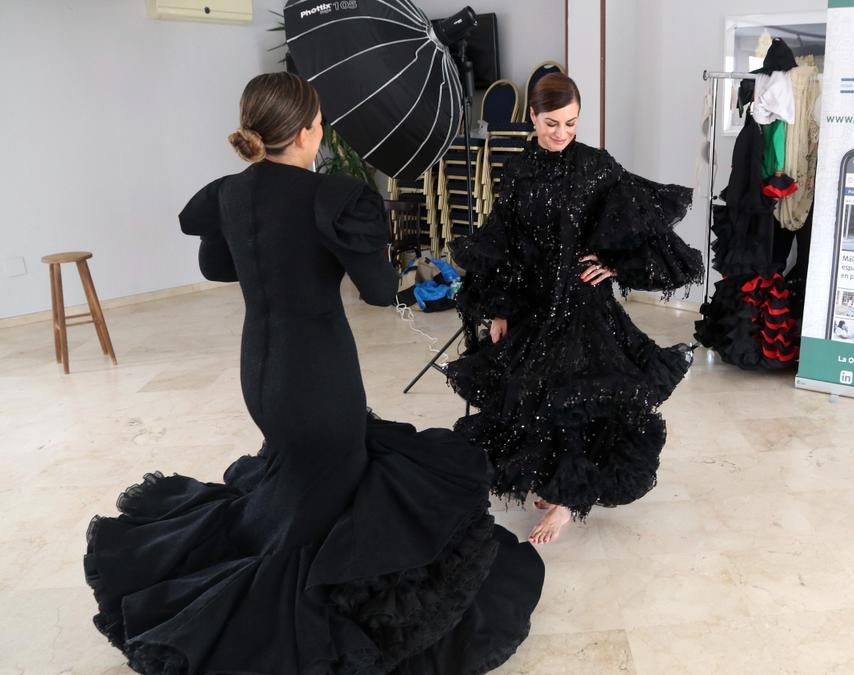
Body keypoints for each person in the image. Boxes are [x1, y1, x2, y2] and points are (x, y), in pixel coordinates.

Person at [84, 72, 543, 673]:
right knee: (328, 483)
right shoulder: (332, 196)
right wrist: (398, 261)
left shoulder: (228, 192)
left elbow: (218, 269)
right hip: (319, 375)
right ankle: (296, 613)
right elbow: (379, 292)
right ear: (308, 131)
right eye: (320, 120)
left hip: (261, 370)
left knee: (308, 481)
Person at [446, 74, 703, 545]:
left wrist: (613, 263)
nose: (561, 133)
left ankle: (568, 499)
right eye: (551, 123)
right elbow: (505, 243)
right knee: (538, 394)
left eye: (570, 123)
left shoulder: (595, 166)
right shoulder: (518, 169)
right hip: (534, 303)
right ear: (532, 118)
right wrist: (500, 310)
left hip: (583, 301)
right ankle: (556, 481)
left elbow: (639, 218)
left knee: (577, 393)